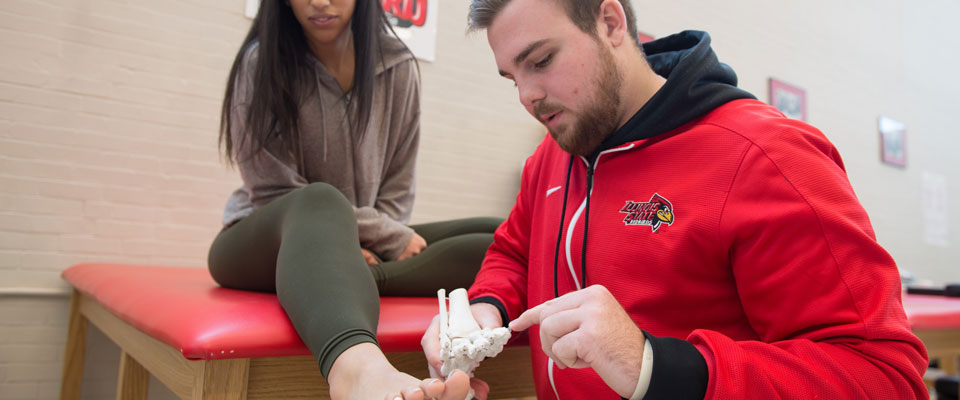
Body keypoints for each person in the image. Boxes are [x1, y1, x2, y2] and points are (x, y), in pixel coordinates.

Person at [421, 0, 929, 398]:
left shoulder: (767, 156)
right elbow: (514, 251)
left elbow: (884, 378)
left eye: (541, 61)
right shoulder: (552, 158)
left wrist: (655, 367)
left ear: (611, 22)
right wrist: (485, 309)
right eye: (513, 77)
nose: (527, 96)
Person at [206, 0, 502, 398]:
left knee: (497, 236)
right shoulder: (261, 62)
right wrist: (378, 234)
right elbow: (271, 185)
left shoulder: (396, 65)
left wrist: (366, 242)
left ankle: (339, 278)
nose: (320, 3)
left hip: (359, 243)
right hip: (264, 240)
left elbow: (398, 181)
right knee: (320, 200)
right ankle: (358, 373)